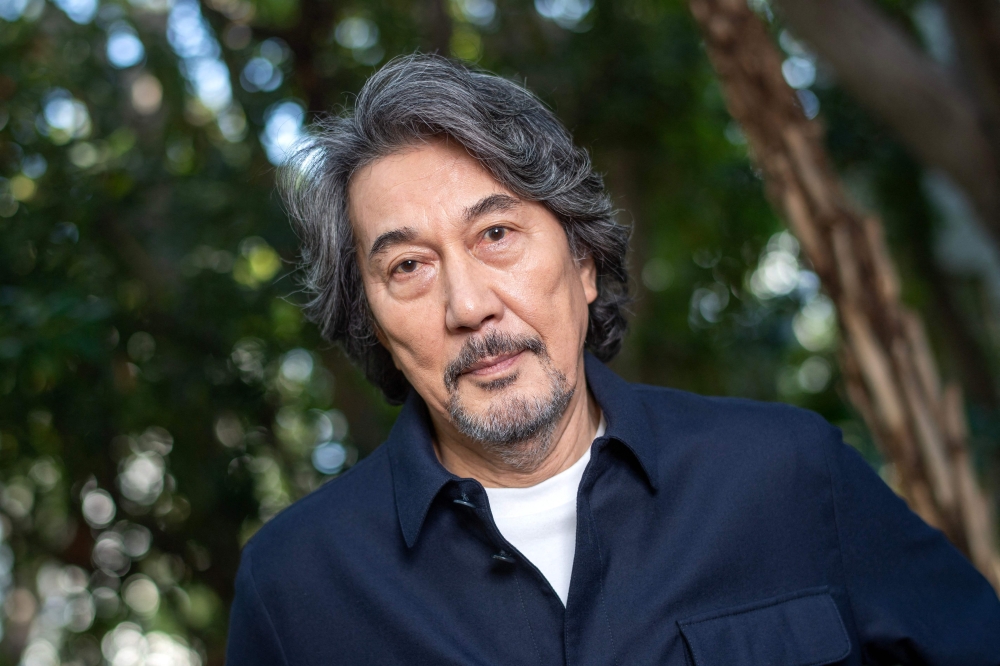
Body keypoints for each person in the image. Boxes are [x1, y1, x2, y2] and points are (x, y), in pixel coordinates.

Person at [225, 54, 1000, 665]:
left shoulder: (790, 475)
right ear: (371, 320)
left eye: (496, 235)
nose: (468, 306)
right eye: (408, 267)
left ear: (585, 262)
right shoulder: (296, 588)